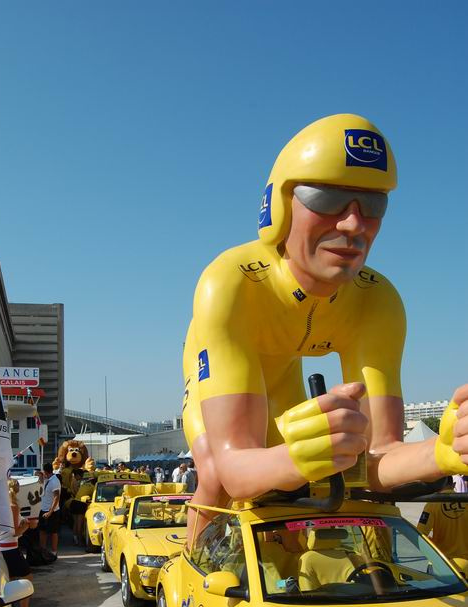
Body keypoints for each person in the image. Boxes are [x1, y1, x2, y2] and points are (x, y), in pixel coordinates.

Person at [182, 113, 468, 545]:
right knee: (215, 476)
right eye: (327, 199)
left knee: (326, 479)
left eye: (372, 206)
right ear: (279, 206)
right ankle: (194, 578)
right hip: (227, 386)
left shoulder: (379, 301)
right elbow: (234, 469)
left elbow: (378, 459)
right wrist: (293, 460)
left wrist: (441, 452)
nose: (353, 225)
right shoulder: (230, 284)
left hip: (282, 381)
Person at [6, 479, 42, 607]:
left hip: (2, 547)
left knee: (9, 582)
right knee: (27, 579)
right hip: (10, 547)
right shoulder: (13, 505)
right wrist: (28, 525)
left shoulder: (3, 506)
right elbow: (15, 532)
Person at [417, 477, 468, 576]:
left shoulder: (432, 504)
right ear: (453, 485)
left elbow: (420, 534)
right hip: (465, 563)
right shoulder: (466, 501)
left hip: (441, 563)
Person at [39, 461, 61, 556]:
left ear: (46, 472)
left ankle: (54, 551)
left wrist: (50, 512)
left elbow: (56, 497)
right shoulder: (47, 479)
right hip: (43, 508)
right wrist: (40, 475)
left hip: (52, 511)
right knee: (42, 530)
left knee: (53, 532)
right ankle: (42, 550)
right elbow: (40, 481)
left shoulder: (54, 481)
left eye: (44, 473)